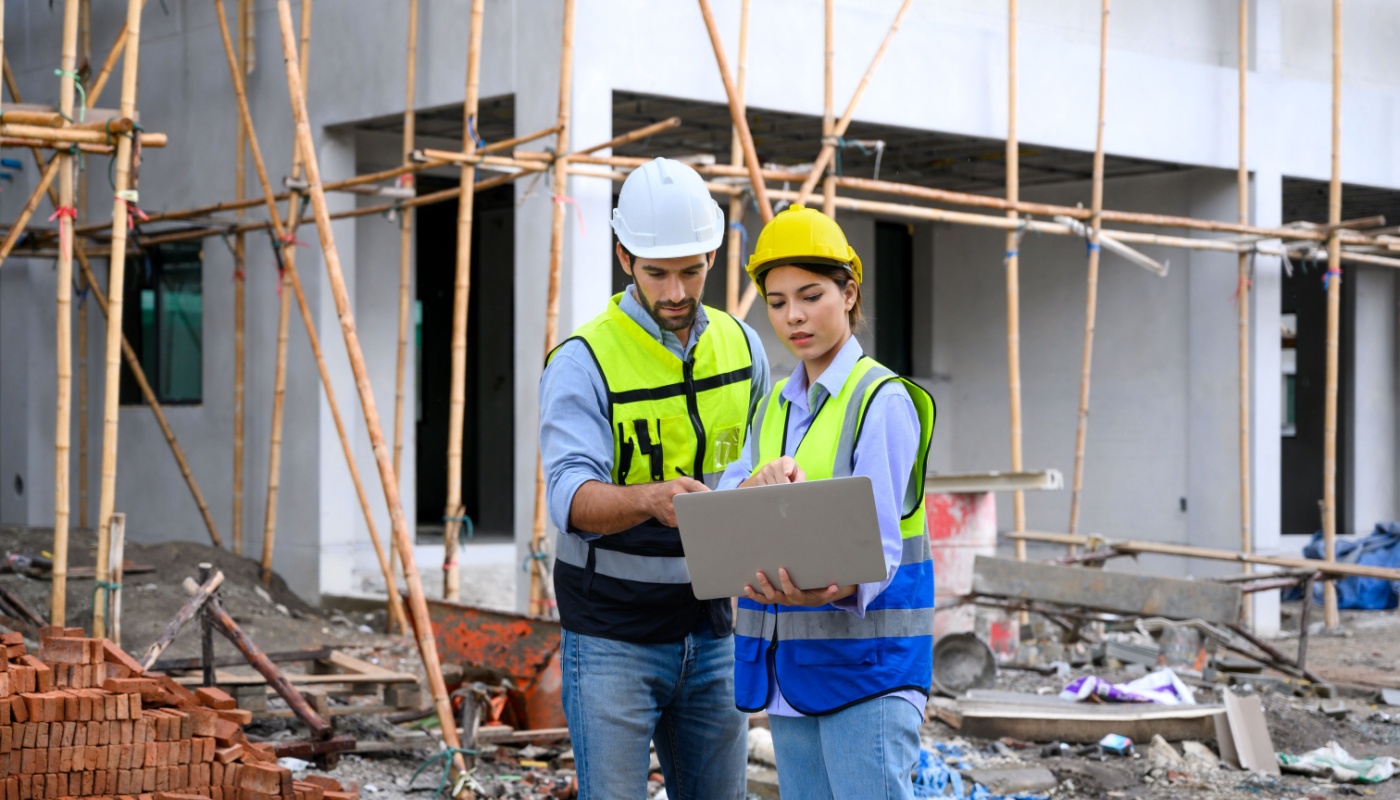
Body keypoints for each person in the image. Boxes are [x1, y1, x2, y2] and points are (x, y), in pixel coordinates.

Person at [539, 157, 770, 799]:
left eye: (691, 271)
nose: (675, 292)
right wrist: (650, 499)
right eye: (658, 273)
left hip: (714, 628)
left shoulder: (744, 348)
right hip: (611, 636)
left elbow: (748, 469)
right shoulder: (582, 362)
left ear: (714, 255)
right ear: (624, 257)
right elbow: (569, 497)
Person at [717, 204, 936, 800]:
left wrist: (826, 586)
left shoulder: (880, 400)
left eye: (811, 295)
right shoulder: (773, 409)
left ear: (849, 293)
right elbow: (724, 504)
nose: (794, 316)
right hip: (792, 673)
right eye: (779, 301)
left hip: (869, 671)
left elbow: (882, 548)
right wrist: (751, 487)